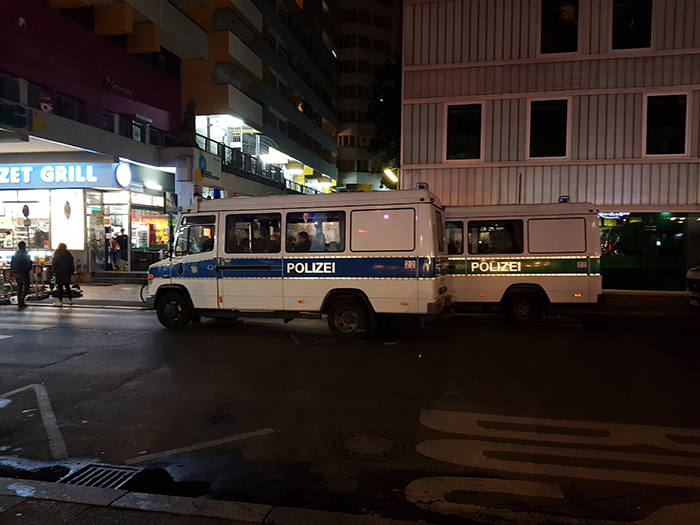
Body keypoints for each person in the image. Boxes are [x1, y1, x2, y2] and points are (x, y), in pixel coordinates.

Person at [10, 241, 32, 310]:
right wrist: (28, 269)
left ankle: (20, 302)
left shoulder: (16, 254)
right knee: (26, 286)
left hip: (16, 272)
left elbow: (12, 263)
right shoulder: (25, 254)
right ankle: (22, 299)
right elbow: (28, 263)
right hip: (24, 272)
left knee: (19, 287)